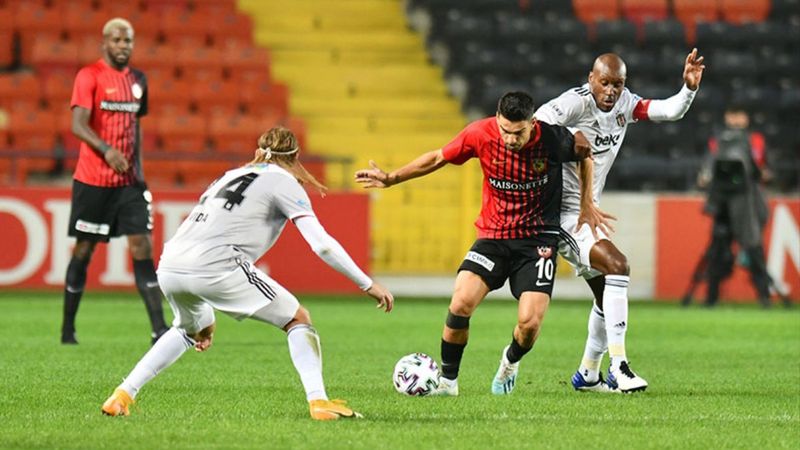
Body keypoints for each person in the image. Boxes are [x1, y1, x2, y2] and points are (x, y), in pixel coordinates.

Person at [101, 126, 394, 420]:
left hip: (171, 263)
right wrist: (366, 284)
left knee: (188, 329)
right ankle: (319, 402)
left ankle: (122, 395)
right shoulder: (285, 181)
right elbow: (322, 245)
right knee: (297, 318)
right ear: (294, 156)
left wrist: (204, 318)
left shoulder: (230, 175)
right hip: (217, 263)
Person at [356, 91, 590, 396]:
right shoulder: (480, 133)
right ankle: (448, 383)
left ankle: (510, 361)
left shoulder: (552, 140)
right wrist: (392, 177)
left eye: (518, 132)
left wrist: (587, 207)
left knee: (529, 324)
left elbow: (585, 152)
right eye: (505, 130)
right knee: (461, 302)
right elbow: (439, 157)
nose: (510, 139)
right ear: (497, 119)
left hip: (538, 241)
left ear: (532, 123)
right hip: (493, 237)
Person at [533, 49, 705, 393]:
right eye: (606, 83)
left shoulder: (626, 104)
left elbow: (668, 111)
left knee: (604, 296)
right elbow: (536, 121)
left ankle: (588, 373)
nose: (611, 91)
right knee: (618, 266)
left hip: (588, 212)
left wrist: (688, 88)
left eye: (618, 84)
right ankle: (620, 366)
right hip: (562, 216)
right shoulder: (575, 103)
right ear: (591, 79)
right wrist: (569, 138)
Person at [62, 18, 169, 345]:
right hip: (94, 182)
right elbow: (78, 125)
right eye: (118, 40)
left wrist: (138, 171)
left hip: (129, 184)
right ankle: (68, 328)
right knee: (84, 249)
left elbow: (135, 126)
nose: (124, 46)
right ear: (104, 43)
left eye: (129, 41)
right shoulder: (89, 76)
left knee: (143, 245)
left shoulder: (139, 80)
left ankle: (159, 330)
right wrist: (107, 151)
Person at [685, 104, 788, 308]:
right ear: (726, 117)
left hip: (747, 201)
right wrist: (705, 177)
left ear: (746, 119)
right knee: (718, 249)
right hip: (723, 200)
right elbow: (708, 168)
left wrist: (764, 174)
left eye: (739, 116)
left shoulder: (755, 141)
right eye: (732, 116)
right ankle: (711, 298)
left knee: (753, 248)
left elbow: (766, 170)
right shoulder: (717, 142)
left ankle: (764, 297)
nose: (735, 121)